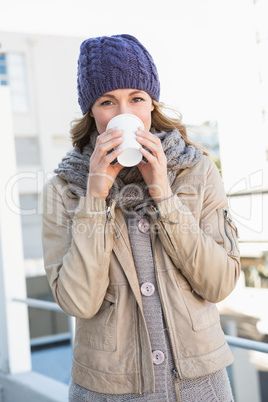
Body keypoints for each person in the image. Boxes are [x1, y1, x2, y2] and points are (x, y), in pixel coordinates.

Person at [41, 34, 240, 401]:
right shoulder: (63, 189)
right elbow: (78, 302)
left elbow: (220, 284)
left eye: (136, 99)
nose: (123, 115)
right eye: (107, 102)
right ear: (91, 112)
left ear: (152, 105)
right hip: (108, 390)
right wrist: (95, 196)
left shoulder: (196, 171)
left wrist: (164, 194)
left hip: (199, 386)